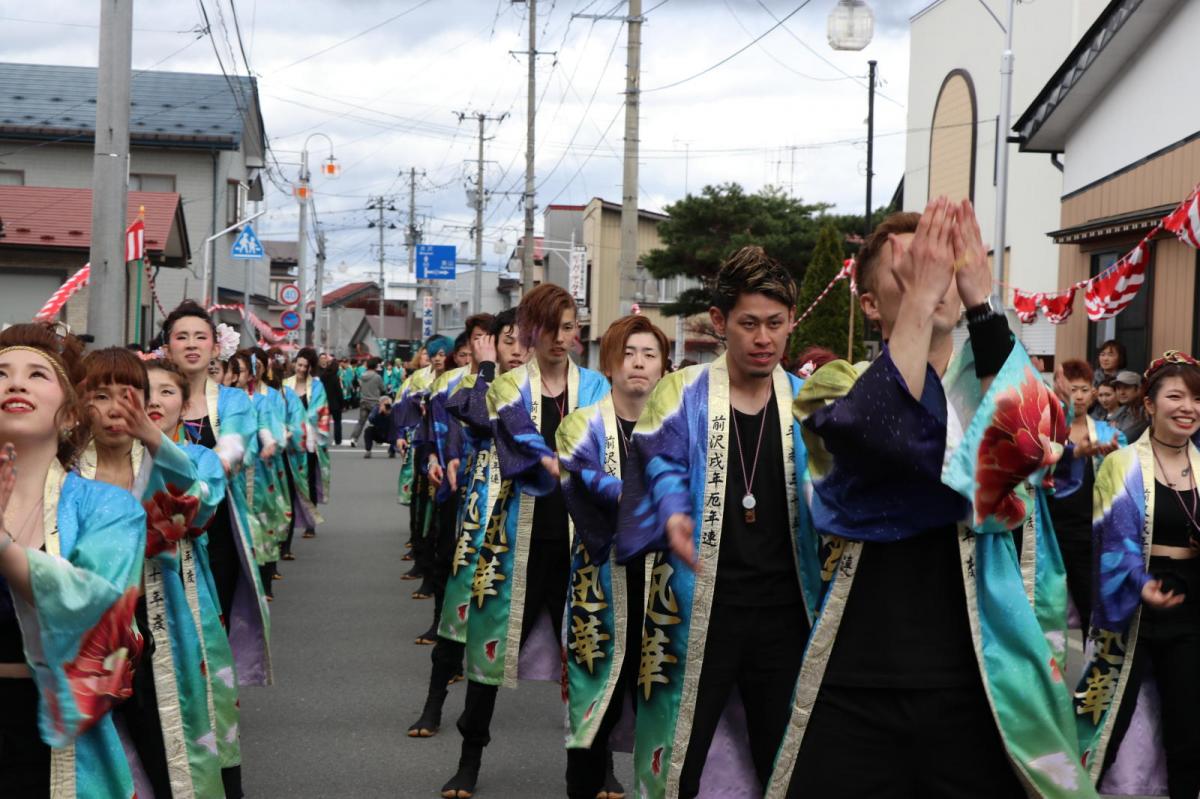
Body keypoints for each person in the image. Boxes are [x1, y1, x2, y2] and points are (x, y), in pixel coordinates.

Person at [774, 199, 1094, 798]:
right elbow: (884, 437)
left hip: (981, 672)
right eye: (911, 271)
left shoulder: (998, 381)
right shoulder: (833, 388)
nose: (932, 280)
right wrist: (918, 306)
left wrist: (981, 300)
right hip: (859, 668)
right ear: (870, 304)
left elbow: (1039, 444)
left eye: (942, 267)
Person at [617, 247, 819, 799]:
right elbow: (658, 457)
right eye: (749, 323)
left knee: (786, 759)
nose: (763, 338)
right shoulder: (681, 395)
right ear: (719, 322)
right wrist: (675, 511)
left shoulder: (806, 404)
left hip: (785, 612)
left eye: (776, 324)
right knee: (676, 756)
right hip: (698, 605)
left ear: (791, 323)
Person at [442, 284, 610, 799]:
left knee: (591, 655)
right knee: (490, 652)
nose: (565, 337)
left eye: (571, 326)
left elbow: (607, 448)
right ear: (532, 330)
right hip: (518, 535)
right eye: (555, 327)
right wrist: (562, 463)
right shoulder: (508, 386)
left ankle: (594, 768)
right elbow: (518, 444)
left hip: (582, 542)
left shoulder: (598, 385)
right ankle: (469, 757)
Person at [0, 323, 146, 796]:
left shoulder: (109, 507)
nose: (15, 383)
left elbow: (97, 609)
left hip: (55, 731)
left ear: (68, 416)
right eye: (0, 374)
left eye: (37, 375)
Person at [78, 347, 226, 797]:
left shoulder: (169, 461)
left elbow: (196, 510)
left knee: (166, 743)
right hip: (83, 630)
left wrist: (156, 441)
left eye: (129, 395)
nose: (115, 409)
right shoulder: (64, 468)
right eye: (100, 396)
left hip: (156, 617)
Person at [1077, 351, 1200, 799]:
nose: (1189, 407)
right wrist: (1140, 583)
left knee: (1188, 733)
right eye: (1176, 396)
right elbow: (1114, 541)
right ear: (1148, 404)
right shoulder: (1121, 464)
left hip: (1190, 609)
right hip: (1131, 610)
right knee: (1100, 725)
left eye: (1197, 398)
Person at [559, 315, 669, 799]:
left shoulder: (680, 426)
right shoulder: (579, 425)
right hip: (600, 588)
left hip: (666, 593)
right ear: (609, 361)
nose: (639, 363)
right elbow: (585, 486)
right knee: (591, 711)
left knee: (665, 711)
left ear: (664, 365)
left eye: (649, 354)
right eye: (628, 353)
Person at [163, 302, 270, 798]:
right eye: (180, 336)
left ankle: (216, 751)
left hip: (214, 537)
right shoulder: (152, 395)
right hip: (155, 539)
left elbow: (229, 454)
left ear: (214, 348)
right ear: (167, 346)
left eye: (199, 337)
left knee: (209, 642)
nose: (189, 343)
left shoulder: (233, 402)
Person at [406, 309, 526, 740]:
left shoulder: (551, 389)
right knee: (457, 618)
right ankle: (435, 704)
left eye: (524, 340)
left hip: (534, 520)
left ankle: (595, 755)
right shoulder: (475, 384)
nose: (517, 349)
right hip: (481, 516)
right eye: (506, 340)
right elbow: (473, 417)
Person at [414, 323, 494, 646]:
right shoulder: (448, 383)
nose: (480, 346)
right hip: (451, 485)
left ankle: (478, 641)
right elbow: (429, 432)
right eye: (475, 341)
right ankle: (442, 627)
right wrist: (433, 460)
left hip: (489, 487)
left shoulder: (507, 385)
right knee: (447, 554)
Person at [1046, 359, 1124, 639]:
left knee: (1089, 599)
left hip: (1087, 530)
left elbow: (1126, 477)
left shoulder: (1108, 433)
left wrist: (1116, 458)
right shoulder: (1045, 429)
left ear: (1093, 393)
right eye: (1072, 389)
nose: (1077, 396)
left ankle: (1092, 662)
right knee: (1043, 603)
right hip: (1047, 529)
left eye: (1083, 389)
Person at [284, 347, 331, 543]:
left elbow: (320, 410)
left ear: (311, 367)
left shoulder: (317, 387)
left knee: (308, 481)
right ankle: (288, 521)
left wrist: (300, 423)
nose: (301, 369)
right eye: (299, 364)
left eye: (305, 366)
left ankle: (310, 522)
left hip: (309, 440)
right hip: (288, 441)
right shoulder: (285, 384)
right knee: (288, 482)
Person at [351, 357, 385, 449]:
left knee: (361, 422)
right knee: (377, 422)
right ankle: (378, 440)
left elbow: (359, 385)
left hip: (363, 401)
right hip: (374, 402)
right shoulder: (377, 377)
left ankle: (354, 439)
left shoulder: (362, 376)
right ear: (375, 366)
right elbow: (383, 389)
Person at [1113, 370, 1149, 442]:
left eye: (1126, 387)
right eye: (1118, 388)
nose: (1121, 392)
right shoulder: (1122, 411)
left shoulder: (1147, 412)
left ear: (1139, 389)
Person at [319, 351, 345, 445]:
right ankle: (338, 440)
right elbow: (339, 392)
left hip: (325, 402)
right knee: (337, 422)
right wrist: (342, 403)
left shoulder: (323, 377)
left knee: (324, 422)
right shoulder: (335, 378)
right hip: (335, 403)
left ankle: (323, 439)